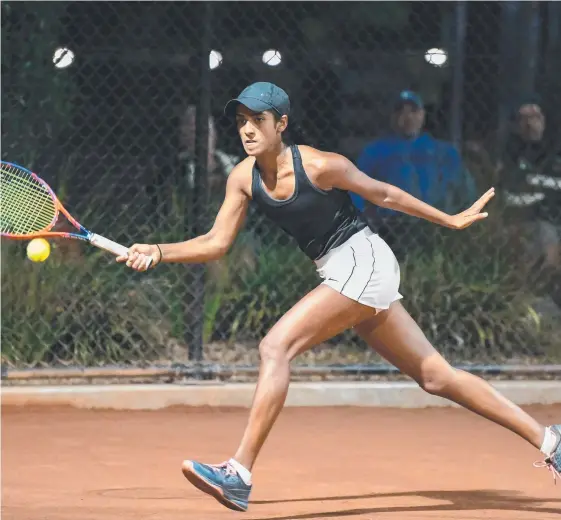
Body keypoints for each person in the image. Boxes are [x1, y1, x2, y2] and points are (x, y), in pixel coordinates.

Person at [118, 82, 560, 512]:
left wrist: (448, 219)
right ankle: (552, 442)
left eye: (259, 120)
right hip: (340, 269)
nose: (248, 129)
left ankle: (239, 474)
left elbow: (382, 193)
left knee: (275, 346)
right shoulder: (243, 177)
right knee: (436, 377)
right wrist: (159, 251)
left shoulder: (319, 165)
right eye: (241, 121)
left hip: (363, 259)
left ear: (281, 124)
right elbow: (216, 243)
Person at [351, 90, 477, 253]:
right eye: (400, 111)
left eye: (413, 111)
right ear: (392, 117)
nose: (407, 117)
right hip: (391, 226)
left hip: (436, 224)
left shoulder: (442, 151)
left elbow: (465, 188)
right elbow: (356, 189)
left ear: (422, 115)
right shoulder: (376, 151)